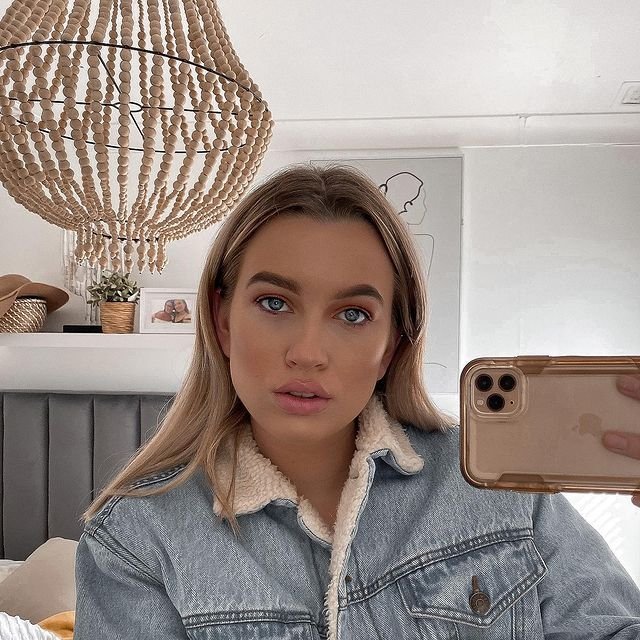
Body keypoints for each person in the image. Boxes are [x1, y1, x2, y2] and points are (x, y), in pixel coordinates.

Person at [74, 164, 640, 639]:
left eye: (353, 314)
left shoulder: (498, 481)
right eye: (274, 303)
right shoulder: (136, 539)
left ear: (391, 345)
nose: (307, 353)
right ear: (223, 322)